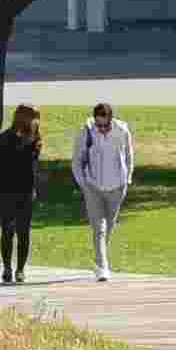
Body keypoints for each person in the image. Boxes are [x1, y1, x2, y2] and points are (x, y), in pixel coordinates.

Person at [70, 102, 135, 281]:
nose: (102, 128)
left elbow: (129, 156)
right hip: (93, 186)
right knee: (99, 228)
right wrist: (83, 184)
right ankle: (102, 267)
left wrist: (127, 179)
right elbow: (77, 159)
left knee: (110, 226)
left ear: (111, 120)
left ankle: (99, 259)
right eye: (99, 125)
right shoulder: (87, 131)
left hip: (117, 185)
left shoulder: (122, 131)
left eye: (105, 125)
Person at [0, 104, 42, 285]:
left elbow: (31, 165)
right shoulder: (3, 138)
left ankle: (21, 269)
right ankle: (7, 267)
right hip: (5, 190)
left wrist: (33, 140)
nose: (36, 121)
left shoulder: (34, 139)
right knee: (7, 230)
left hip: (25, 190)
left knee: (24, 231)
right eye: (33, 117)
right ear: (24, 118)